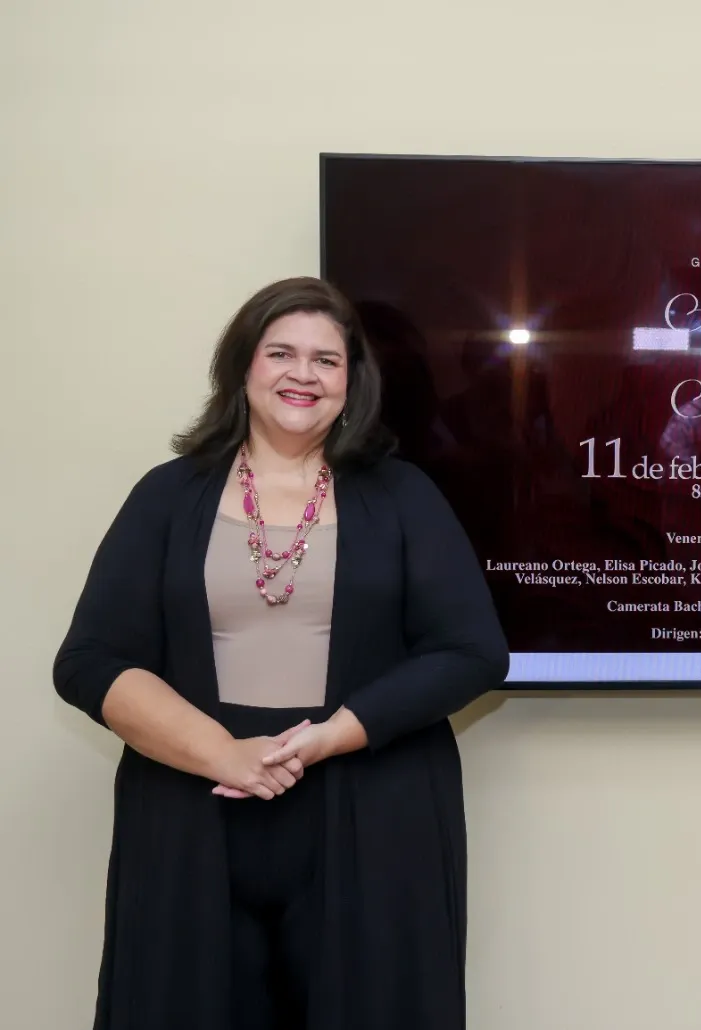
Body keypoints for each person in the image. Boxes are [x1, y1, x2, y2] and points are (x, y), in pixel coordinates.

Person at [53, 277, 510, 1030]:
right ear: (243, 366)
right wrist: (223, 754)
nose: (304, 374)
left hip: (372, 815)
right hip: (192, 814)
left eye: (327, 360)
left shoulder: (405, 496)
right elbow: (90, 660)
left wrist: (328, 737)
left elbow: (473, 651)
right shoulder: (167, 495)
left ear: (352, 382)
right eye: (281, 353)